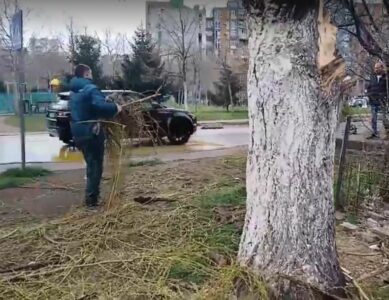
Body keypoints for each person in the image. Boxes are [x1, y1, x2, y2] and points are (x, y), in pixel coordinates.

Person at [69, 64, 122, 209]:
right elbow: (100, 106)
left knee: (91, 163)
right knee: (95, 166)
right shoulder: (90, 88)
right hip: (91, 132)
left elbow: (88, 107)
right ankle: (91, 201)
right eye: (90, 73)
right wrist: (115, 108)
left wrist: (106, 99)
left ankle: (91, 196)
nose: (91, 75)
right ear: (86, 74)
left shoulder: (73, 91)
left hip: (78, 131)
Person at [366, 61, 388, 139]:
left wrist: (383, 96)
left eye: (377, 68)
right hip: (373, 101)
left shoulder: (386, 78)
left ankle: (386, 133)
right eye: (375, 68)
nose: (376, 69)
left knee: (384, 118)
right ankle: (374, 133)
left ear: (382, 68)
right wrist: (369, 95)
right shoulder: (372, 77)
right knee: (373, 118)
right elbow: (368, 87)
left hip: (382, 102)